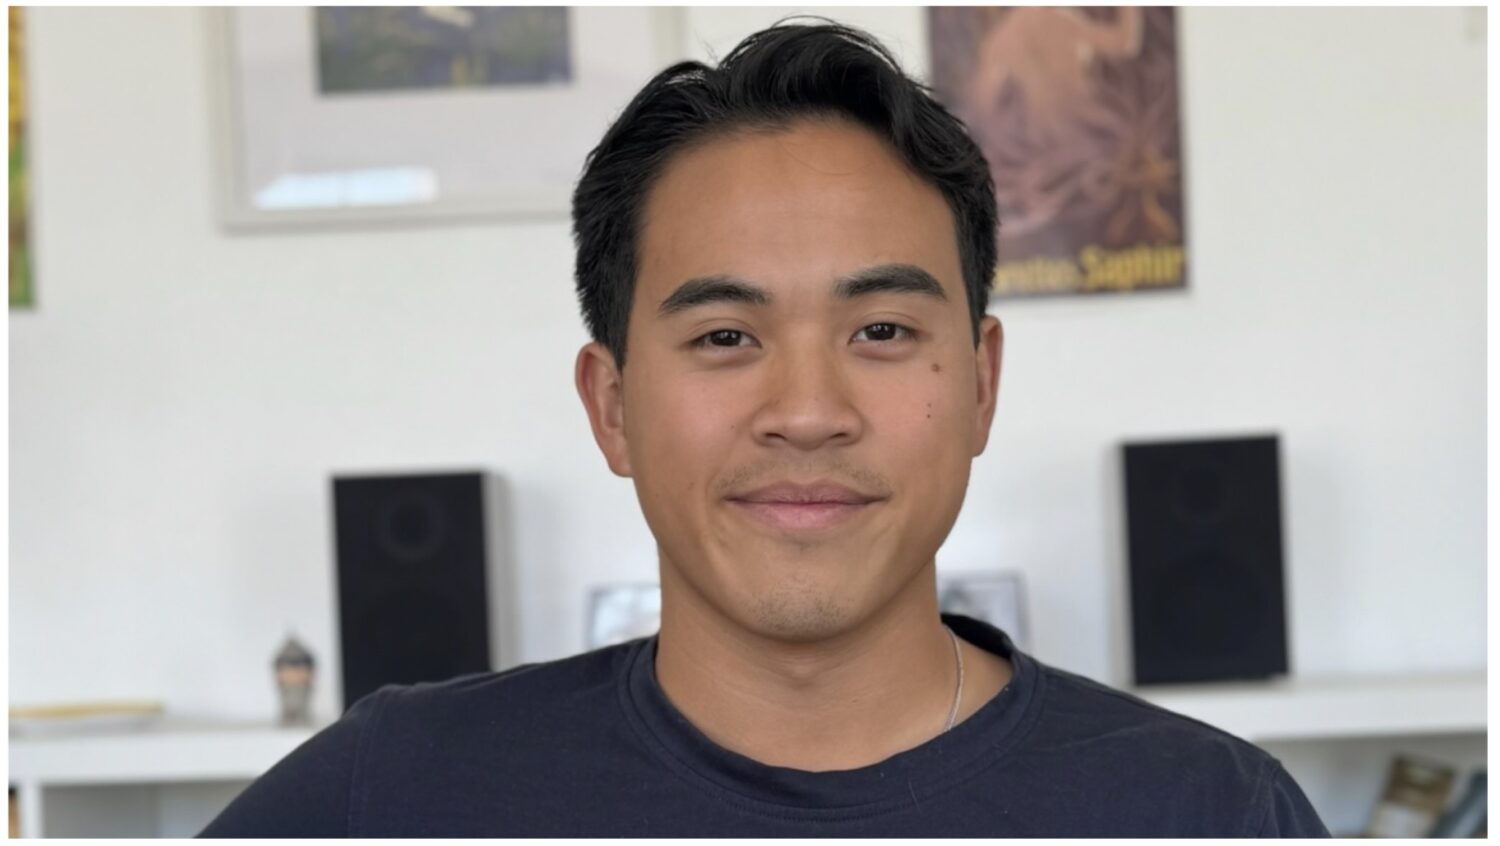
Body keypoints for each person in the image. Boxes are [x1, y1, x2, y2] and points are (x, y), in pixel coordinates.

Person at [201, 19, 1329, 837]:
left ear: (982, 385)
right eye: (726, 336)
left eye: (881, 330)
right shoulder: (403, 793)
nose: (807, 413)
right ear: (612, 407)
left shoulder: (1205, 812)